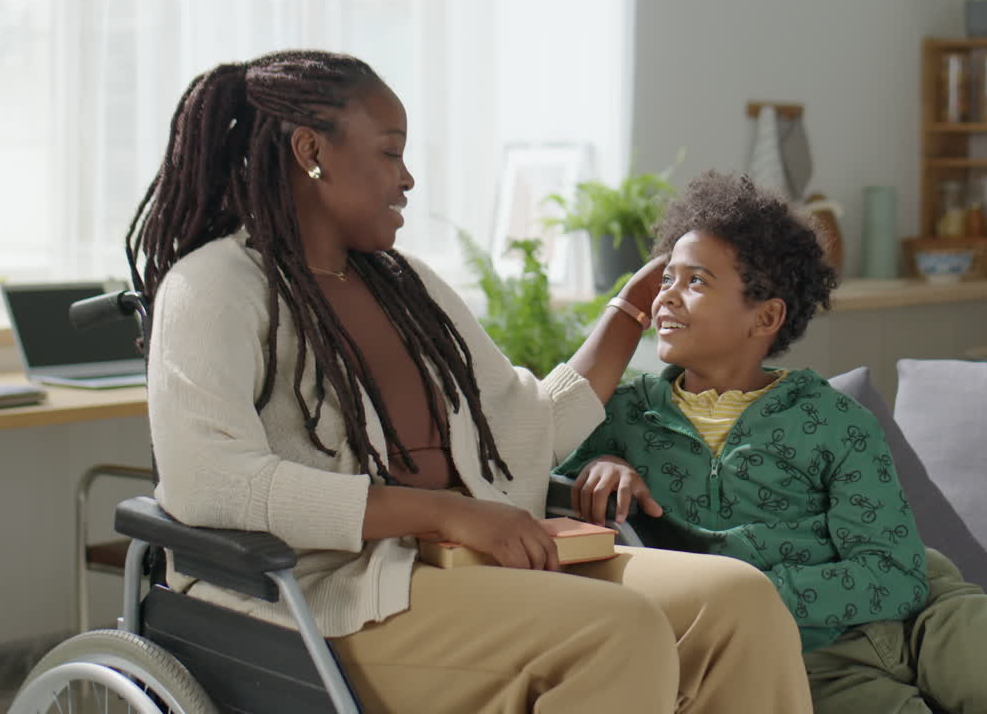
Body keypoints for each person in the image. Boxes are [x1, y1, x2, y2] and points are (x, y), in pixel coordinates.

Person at [129, 51, 812, 713]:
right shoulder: (214, 286)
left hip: (462, 565)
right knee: (614, 632)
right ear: (312, 152)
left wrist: (633, 307)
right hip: (329, 596)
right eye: (391, 152)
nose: (408, 180)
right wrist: (447, 513)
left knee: (738, 601)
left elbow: (529, 425)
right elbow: (210, 480)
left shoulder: (409, 286)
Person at [555, 171, 987, 714]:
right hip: (813, 663)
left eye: (696, 281)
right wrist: (604, 461)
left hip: (924, 617)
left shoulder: (835, 422)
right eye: (667, 280)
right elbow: (542, 473)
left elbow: (894, 573)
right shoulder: (625, 417)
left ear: (765, 318)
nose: (666, 297)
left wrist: (746, 595)